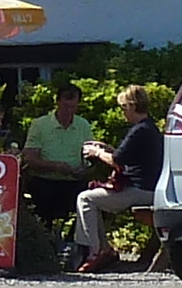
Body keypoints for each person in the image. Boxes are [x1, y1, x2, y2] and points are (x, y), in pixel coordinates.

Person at [72, 83, 169, 275]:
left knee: (86, 198)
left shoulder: (139, 131)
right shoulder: (148, 128)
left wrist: (96, 152)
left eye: (124, 107)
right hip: (148, 188)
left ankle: (95, 251)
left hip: (140, 191)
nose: (123, 112)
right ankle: (103, 249)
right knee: (94, 198)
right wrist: (106, 148)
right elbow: (124, 157)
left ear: (133, 106)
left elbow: (116, 161)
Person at [18, 82, 95, 224]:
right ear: (57, 102)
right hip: (45, 181)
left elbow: (90, 155)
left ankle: (72, 242)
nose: (69, 110)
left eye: (73, 106)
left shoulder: (83, 125)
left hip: (74, 181)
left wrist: (84, 169)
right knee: (44, 198)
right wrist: (55, 166)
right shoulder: (40, 125)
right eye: (65, 106)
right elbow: (29, 158)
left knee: (83, 201)